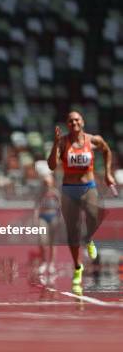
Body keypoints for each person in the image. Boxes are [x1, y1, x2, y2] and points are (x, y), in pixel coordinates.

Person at [47, 111, 115, 288]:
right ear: (67, 124)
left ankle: (89, 238)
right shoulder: (62, 142)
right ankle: (78, 267)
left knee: (94, 218)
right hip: (69, 190)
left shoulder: (93, 140)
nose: (74, 123)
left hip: (88, 187)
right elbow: (52, 166)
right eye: (70, 121)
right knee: (72, 230)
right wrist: (55, 144)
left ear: (83, 122)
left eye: (77, 120)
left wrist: (108, 173)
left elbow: (107, 151)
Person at [33, 174, 61, 282]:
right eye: (45, 183)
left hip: (53, 216)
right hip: (43, 217)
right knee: (42, 240)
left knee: (53, 242)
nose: (47, 185)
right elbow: (37, 206)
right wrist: (35, 218)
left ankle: (52, 264)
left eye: (48, 183)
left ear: (52, 182)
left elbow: (60, 206)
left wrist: (60, 218)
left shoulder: (55, 193)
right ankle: (44, 262)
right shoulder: (40, 193)